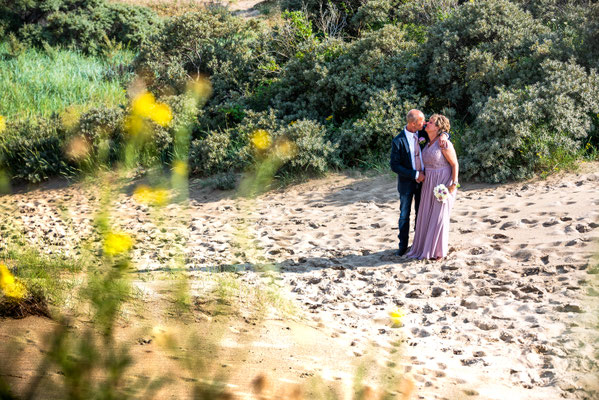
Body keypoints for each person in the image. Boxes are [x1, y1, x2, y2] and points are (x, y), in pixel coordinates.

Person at [390, 110, 448, 256]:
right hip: (406, 184)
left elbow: (442, 130)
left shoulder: (422, 134)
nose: (425, 123)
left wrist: (444, 135)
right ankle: (402, 246)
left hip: (425, 183)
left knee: (421, 213)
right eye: (422, 121)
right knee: (404, 214)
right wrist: (415, 174)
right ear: (412, 123)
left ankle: (419, 244)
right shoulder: (398, 141)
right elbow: (394, 166)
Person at [405, 114, 459, 260]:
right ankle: (426, 247)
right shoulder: (426, 139)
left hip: (443, 182)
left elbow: (454, 164)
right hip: (428, 184)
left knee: (439, 217)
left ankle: (438, 251)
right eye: (428, 121)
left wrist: (453, 184)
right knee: (428, 216)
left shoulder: (444, 143)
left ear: (438, 128)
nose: (427, 123)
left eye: (431, 122)